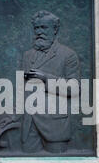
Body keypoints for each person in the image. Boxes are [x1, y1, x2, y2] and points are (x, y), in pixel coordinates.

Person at [22, 10, 80, 153]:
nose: (39, 32)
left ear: (55, 30)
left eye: (44, 27)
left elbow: (74, 89)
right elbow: (21, 88)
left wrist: (45, 78)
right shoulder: (27, 56)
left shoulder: (68, 55)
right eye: (37, 28)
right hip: (29, 125)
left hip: (55, 124)